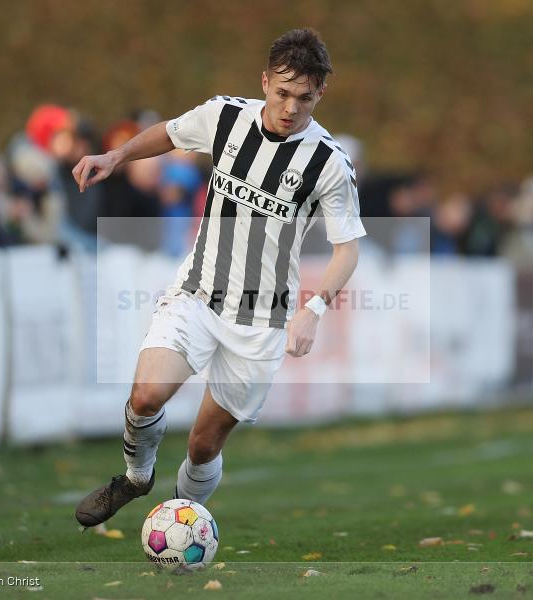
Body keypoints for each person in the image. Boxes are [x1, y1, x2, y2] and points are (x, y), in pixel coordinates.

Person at [71, 28, 365, 526]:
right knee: (144, 396)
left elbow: (348, 249)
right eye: (283, 93)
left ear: (321, 94)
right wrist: (117, 156)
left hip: (260, 322)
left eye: (305, 98)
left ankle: (181, 523)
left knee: (203, 445)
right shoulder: (226, 115)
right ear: (266, 80)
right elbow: (170, 131)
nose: (291, 107)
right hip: (198, 293)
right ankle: (136, 477)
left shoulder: (329, 163)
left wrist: (313, 311)